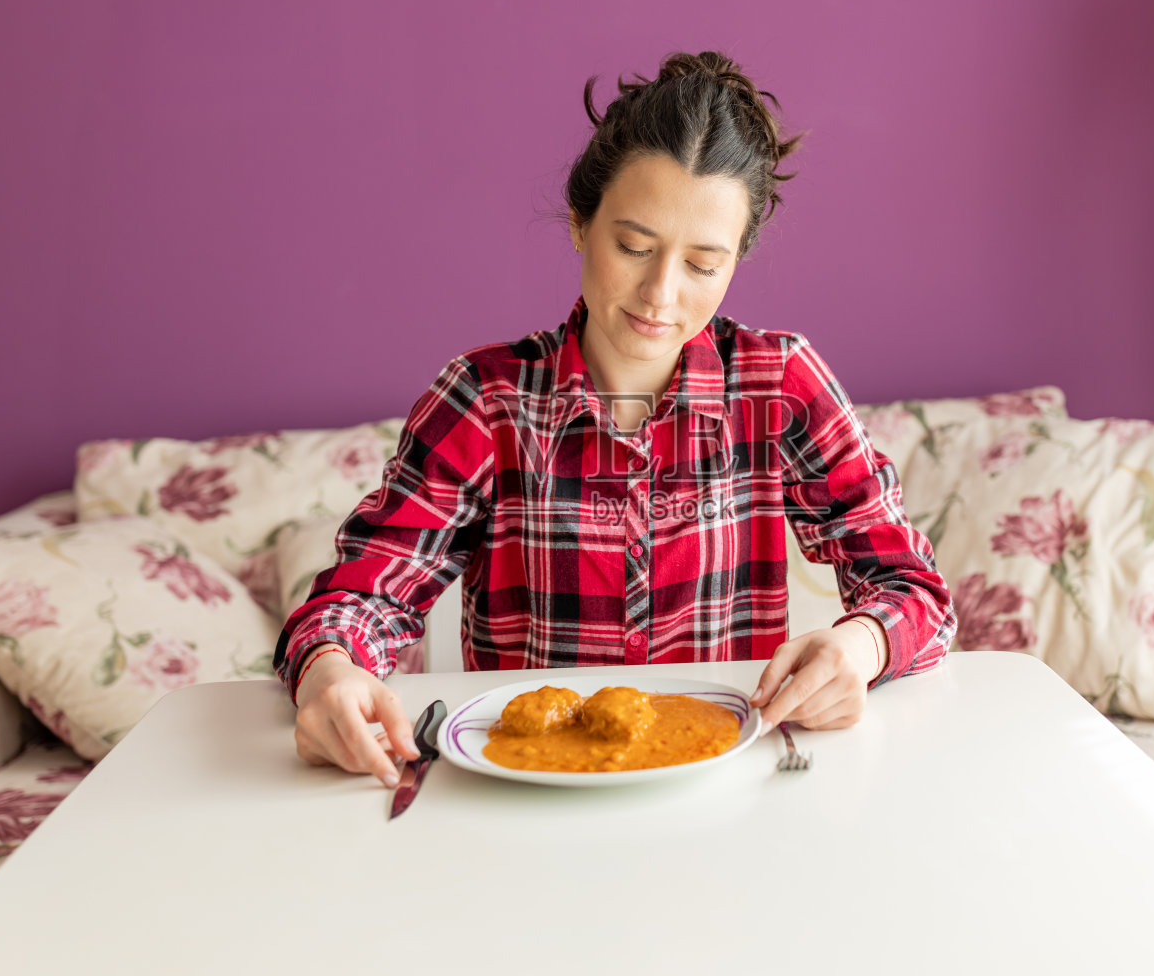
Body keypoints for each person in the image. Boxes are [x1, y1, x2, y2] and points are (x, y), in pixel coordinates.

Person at [273, 50, 956, 788]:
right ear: (579, 223)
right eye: (634, 246)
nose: (660, 293)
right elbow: (361, 596)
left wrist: (860, 647)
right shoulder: (485, 398)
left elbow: (913, 587)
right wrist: (328, 673)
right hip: (529, 798)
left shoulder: (780, 385)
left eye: (702, 264)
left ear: (736, 261)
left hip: (725, 793)